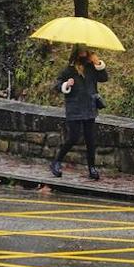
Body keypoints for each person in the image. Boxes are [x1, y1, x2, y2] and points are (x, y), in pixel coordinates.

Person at [50, 47, 109, 180]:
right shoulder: (69, 69)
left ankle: (91, 168)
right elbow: (57, 84)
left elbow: (104, 78)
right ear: (76, 53)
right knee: (73, 137)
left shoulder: (92, 67)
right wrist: (66, 84)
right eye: (81, 50)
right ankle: (56, 161)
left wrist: (98, 64)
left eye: (85, 50)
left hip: (89, 107)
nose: (83, 53)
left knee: (90, 140)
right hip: (74, 108)